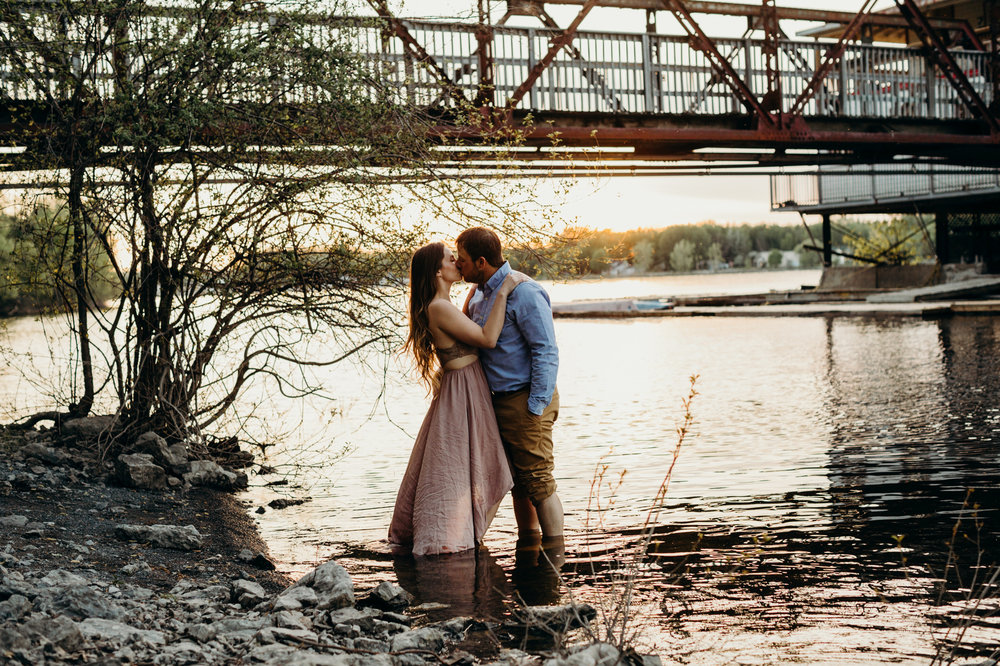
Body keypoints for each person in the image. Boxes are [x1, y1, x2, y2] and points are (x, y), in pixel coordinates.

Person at [388, 242, 520, 556]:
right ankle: (454, 538)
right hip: (463, 390)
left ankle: (468, 536)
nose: (458, 263)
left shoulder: (445, 304)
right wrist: (503, 291)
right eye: (451, 260)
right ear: (438, 270)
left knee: (470, 465)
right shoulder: (438, 306)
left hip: (465, 386)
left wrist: (475, 294)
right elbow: (487, 339)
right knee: (460, 467)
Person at [455, 227, 564, 545]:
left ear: (481, 261)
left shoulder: (525, 292)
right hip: (497, 402)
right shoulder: (476, 293)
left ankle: (555, 556)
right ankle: (528, 550)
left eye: (462, 260)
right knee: (517, 483)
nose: (458, 265)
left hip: (525, 400)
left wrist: (535, 406)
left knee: (539, 481)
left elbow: (546, 350)